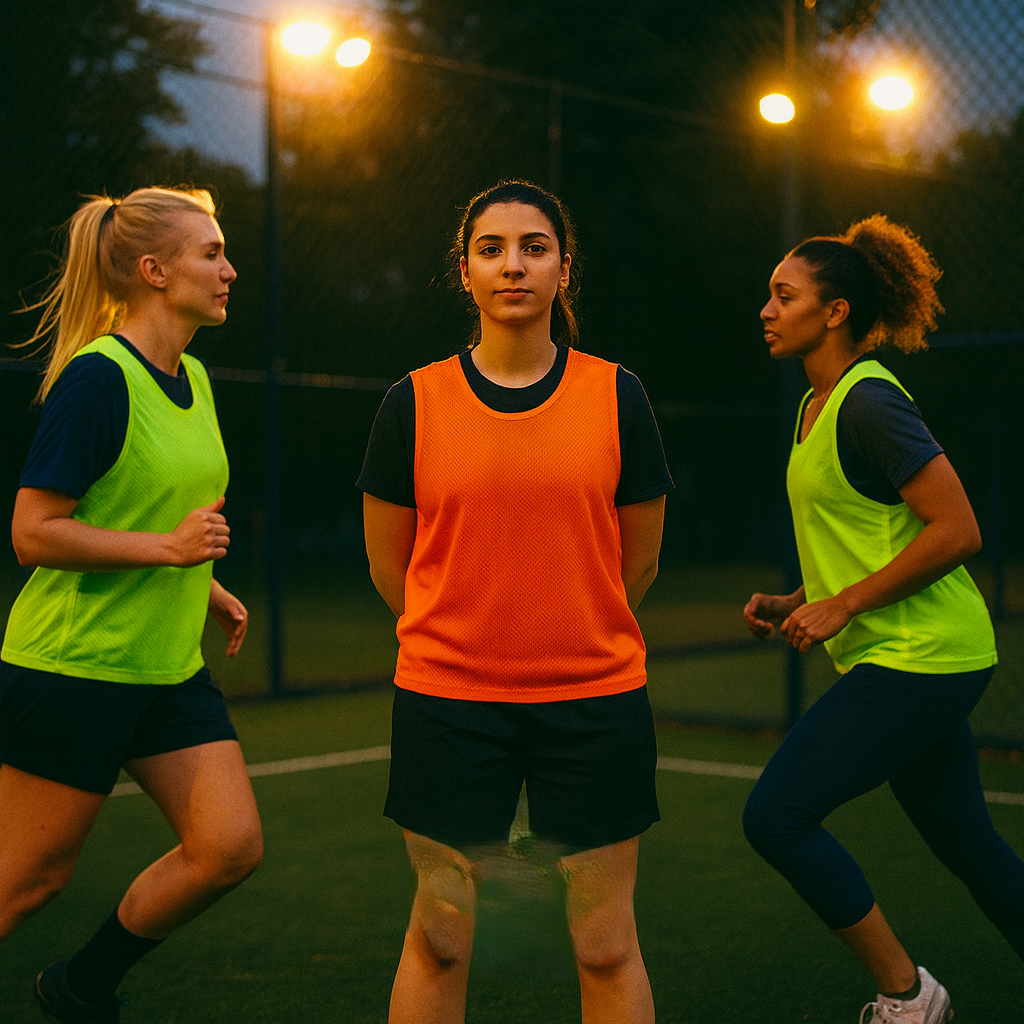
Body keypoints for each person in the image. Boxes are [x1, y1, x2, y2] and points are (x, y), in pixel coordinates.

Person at [358, 179, 673, 1024]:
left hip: (596, 701)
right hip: (448, 706)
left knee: (606, 942)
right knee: (441, 938)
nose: (513, 266)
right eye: (492, 249)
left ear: (563, 269)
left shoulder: (618, 395)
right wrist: (463, 637)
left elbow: (634, 562)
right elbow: (395, 569)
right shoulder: (411, 403)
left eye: (534, 247)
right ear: (464, 272)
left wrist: (572, 628)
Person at [742, 214, 1024, 1023]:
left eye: (783, 295)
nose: (766, 309)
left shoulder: (868, 402)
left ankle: (908, 996)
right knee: (970, 847)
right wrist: (800, 597)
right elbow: (868, 533)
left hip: (922, 656)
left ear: (833, 313)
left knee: (777, 816)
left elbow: (958, 530)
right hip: (912, 655)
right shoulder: (815, 407)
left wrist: (846, 603)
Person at [0, 186, 263, 1023]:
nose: (228, 269)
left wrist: (203, 583)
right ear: (154, 271)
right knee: (27, 881)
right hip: (74, 666)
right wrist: (169, 555)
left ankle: (79, 986)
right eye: (210, 253)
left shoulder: (196, 378)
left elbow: (150, 511)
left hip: (164, 667)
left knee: (227, 848)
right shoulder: (96, 379)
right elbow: (35, 532)